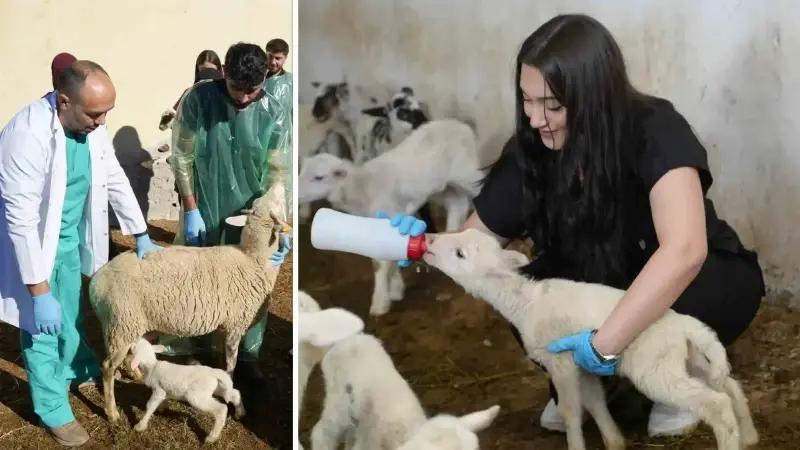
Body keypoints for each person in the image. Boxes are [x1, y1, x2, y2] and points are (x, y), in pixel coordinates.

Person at [384, 14, 764, 438]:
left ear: (596, 97)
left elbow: (684, 252)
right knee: (520, 286)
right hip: (597, 288)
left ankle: (673, 381)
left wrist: (604, 346)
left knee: (692, 288)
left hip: (690, 283)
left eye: (553, 104)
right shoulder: (531, 149)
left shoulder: (654, 129)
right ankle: (585, 385)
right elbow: (476, 246)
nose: (535, 118)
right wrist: (421, 245)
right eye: (527, 100)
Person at [0, 60, 162, 446]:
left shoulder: (89, 126)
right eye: (95, 113)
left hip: (69, 240)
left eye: (108, 111)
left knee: (72, 309)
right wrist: (38, 294)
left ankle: (78, 363)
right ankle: (53, 407)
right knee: (41, 329)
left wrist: (139, 231)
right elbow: (20, 223)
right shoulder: (26, 136)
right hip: (33, 250)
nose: (103, 121)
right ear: (64, 100)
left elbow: (113, 176)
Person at [160, 42, 292, 380]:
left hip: (251, 214)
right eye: (238, 89)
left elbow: (279, 169)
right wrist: (191, 209)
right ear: (223, 73)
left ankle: (246, 355)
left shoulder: (274, 111)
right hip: (202, 204)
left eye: (254, 90)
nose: (245, 99)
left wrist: (278, 216)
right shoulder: (199, 100)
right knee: (193, 277)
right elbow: (182, 157)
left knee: (251, 281)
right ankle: (186, 348)